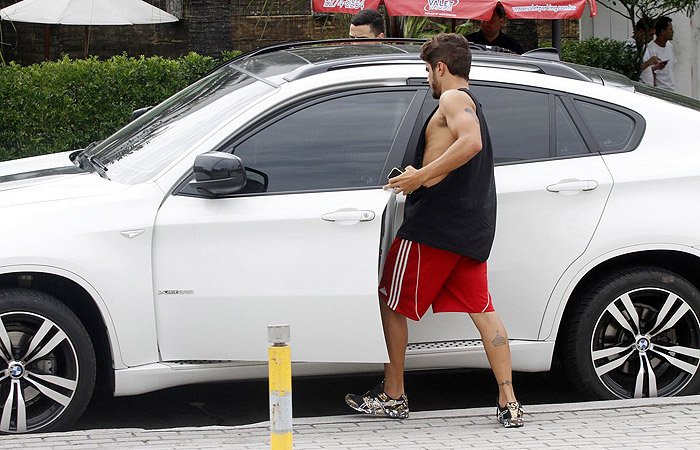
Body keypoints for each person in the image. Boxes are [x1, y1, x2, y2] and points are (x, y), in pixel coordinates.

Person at [345, 33, 524, 429]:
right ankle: (509, 401)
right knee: (483, 310)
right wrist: (425, 175)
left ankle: (393, 396)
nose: (428, 77)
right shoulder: (471, 102)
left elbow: (471, 142)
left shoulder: (452, 98)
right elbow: (457, 154)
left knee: (390, 301)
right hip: (469, 229)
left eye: (427, 70)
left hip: (434, 227)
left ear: (440, 68)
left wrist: (419, 178)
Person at [640, 16, 676, 91]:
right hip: (660, 90)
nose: (673, 32)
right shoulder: (650, 48)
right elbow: (650, 72)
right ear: (663, 32)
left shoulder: (670, 46)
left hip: (671, 90)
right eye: (670, 29)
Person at [626, 19, 659, 85]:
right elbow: (631, 71)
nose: (652, 38)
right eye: (650, 35)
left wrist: (656, 67)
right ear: (641, 32)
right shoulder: (630, 46)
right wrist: (648, 63)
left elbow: (645, 70)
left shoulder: (643, 46)